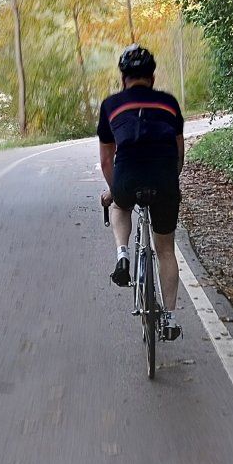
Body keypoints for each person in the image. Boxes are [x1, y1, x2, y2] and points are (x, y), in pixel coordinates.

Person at [97, 44, 184, 339]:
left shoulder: (111, 105)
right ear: (152, 78)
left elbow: (106, 160)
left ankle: (122, 255)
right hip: (164, 177)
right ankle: (169, 318)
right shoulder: (169, 103)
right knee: (166, 250)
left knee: (118, 205)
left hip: (128, 176)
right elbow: (178, 153)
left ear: (123, 79)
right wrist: (169, 182)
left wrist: (114, 191)